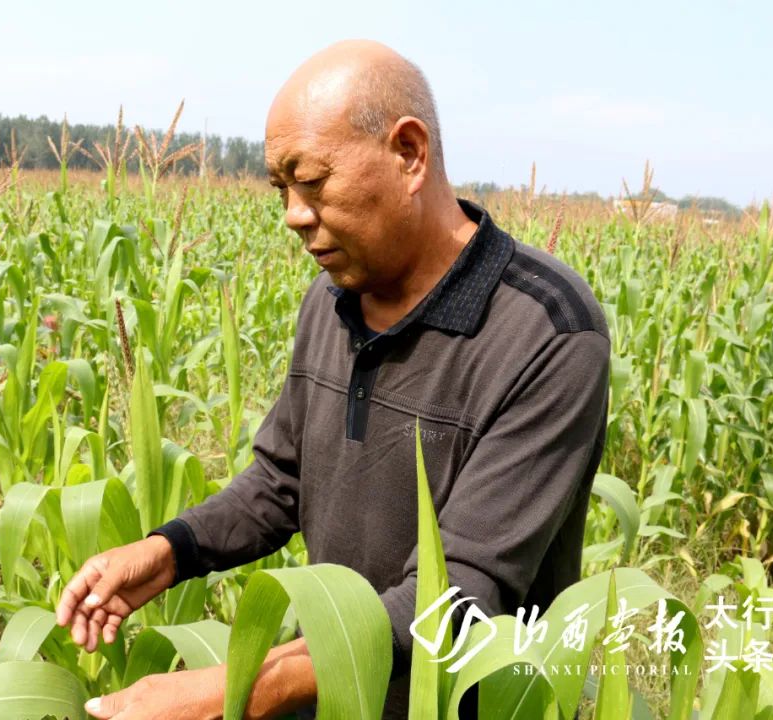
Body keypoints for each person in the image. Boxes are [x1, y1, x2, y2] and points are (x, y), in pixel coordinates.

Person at [55, 39, 611, 720]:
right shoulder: (333, 298)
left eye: (311, 182)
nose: (292, 213)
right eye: (280, 189)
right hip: (336, 687)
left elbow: (461, 593)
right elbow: (280, 480)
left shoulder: (545, 330)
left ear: (409, 154)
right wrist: (166, 552)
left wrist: (240, 688)